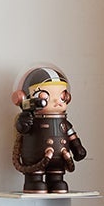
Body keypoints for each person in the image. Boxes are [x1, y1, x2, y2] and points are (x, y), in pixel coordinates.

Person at [12, 63, 87, 193]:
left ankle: (56, 181)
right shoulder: (31, 119)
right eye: (45, 96)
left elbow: (71, 135)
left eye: (62, 96)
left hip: (59, 159)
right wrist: (23, 122)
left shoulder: (64, 122)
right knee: (35, 179)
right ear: (23, 98)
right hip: (35, 158)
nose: (58, 101)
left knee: (58, 178)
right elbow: (22, 129)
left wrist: (77, 148)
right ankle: (34, 181)